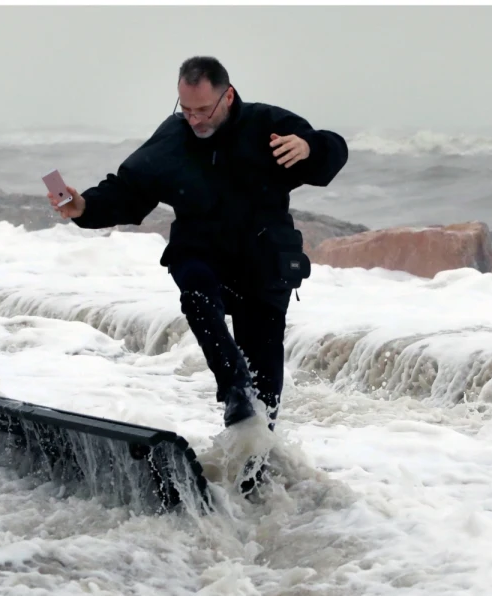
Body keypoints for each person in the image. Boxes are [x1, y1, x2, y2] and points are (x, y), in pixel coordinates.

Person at [48, 56, 348, 436]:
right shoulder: (173, 137)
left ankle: (253, 472)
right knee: (197, 294)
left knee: (265, 397)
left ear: (228, 96)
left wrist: (309, 148)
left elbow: (333, 148)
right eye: (186, 110)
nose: (195, 120)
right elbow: (129, 190)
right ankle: (233, 387)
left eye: (203, 109)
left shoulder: (266, 124)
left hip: (264, 263)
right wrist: (84, 207)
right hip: (202, 254)